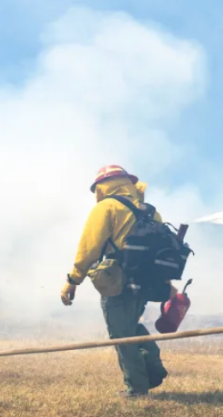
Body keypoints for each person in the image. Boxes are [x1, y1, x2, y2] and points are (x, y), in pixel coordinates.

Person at [60, 165, 170, 397]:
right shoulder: (150, 212)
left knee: (121, 334)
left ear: (102, 187)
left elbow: (89, 248)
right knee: (130, 327)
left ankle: (138, 388)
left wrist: (73, 279)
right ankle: (152, 367)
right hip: (144, 283)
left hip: (116, 282)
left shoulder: (106, 207)